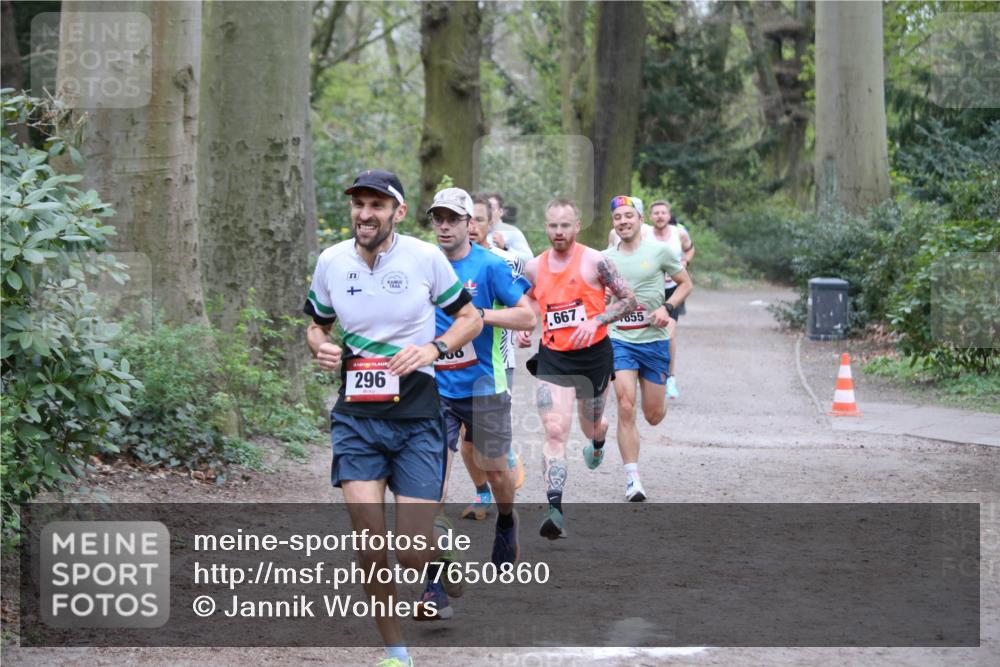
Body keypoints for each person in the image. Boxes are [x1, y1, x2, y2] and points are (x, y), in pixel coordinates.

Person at [305, 169, 482, 667]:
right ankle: (397, 652)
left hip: (417, 418)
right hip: (356, 420)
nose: (365, 214)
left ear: (398, 212)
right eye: (359, 204)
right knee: (368, 539)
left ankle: (436, 550)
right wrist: (321, 346)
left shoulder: (425, 259)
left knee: (409, 551)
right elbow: (316, 326)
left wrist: (432, 349)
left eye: (377, 205)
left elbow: (470, 318)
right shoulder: (331, 261)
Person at [420, 187, 535, 618]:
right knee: (430, 488)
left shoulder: (490, 265)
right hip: (435, 388)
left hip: (486, 386)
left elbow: (527, 315)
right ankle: (436, 586)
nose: (445, 226)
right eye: (438, 218)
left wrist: (479, 317)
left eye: (453, 218)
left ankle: (506, 518)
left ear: (470, 223)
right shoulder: (422, 265)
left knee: (496, 471)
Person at [516, 198, 637, 538]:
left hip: (594, 356)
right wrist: (526, 324)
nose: (559, 232)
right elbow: (527, 299)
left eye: (565, 225)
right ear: (546, 227)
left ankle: (598, 441)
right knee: (555, 430)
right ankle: (554, 509)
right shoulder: (534, 267)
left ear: (577, 226)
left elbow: (629, 300)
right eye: (553, 225)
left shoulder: (596, 261)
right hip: (554, 356)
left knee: (591, 424)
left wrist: (597, 320)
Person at [603, 195, 692, 501]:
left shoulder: (659, 251)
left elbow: (685, 283)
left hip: (653, 340)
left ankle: (659, 395)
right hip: (619, 339)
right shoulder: (604, 259)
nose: (623, 221)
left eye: (629, 216)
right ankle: (633, 479)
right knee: (625, 404)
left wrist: (667, 308)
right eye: (618, 217)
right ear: (613, 223)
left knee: (653, 415)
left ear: (640, 220)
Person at [455, 194, 528, 523]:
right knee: (466, 440)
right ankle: (481, 493)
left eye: (479, 220)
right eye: (467, 220)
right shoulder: (443, 262)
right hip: (455, 364)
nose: (472, 227)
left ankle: (503, 460)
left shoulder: (504, 261)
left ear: (491, 222)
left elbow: (524, 307)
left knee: (486, 441)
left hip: (498, 361)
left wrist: (519, 331)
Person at [648, 200, 695, 400]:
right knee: (648, 331)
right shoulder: (644, 234)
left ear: (669, 216)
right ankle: (649, 374)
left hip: (673, 290)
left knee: (669, 333)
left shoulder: (679, 234)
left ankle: (670, 378)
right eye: (656, 213)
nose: (660, 216)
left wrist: (685, 261)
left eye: (663, 212)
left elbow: (690, 248)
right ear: (650, 217)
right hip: (650, 290)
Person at [488, 192, 534, 263]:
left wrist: (505, 248)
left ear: (501, 212)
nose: (488, 213)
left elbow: (529, 260)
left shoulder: (512, 231)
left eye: (492, 209)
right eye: (486, 209)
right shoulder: (474, 232)